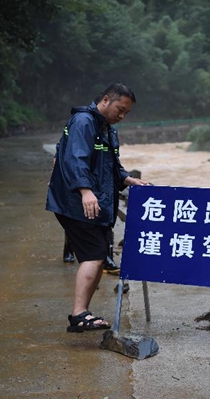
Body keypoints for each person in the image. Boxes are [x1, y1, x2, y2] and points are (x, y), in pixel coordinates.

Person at [46, 82, 149, 332]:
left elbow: (110, 165)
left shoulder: (106, 128)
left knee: (98, 255)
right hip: (76, 202)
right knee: (93, 255)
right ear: (105, 100)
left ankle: (82, 313)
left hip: (94, 202)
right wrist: (85, 191)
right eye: (120, 109)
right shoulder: (84, 122)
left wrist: (126, 179)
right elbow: (75, 159)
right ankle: (79, 314)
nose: (122, 116)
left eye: (127, 112)